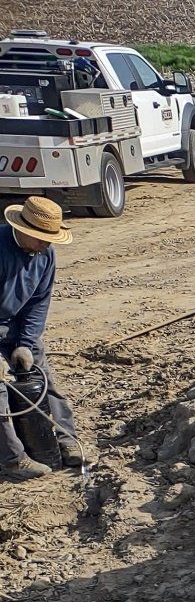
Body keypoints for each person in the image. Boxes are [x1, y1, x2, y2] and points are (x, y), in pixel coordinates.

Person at [0, 195, 82, 481]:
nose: (47, 244)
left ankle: (65, 438)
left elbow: (38, 302)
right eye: (41, 238)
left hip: (16, 325)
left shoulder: (45, 255)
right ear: (22, 229)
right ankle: (13, 459)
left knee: (42, 376)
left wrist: (25, 342)